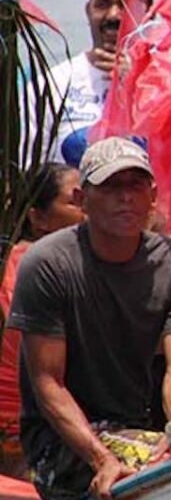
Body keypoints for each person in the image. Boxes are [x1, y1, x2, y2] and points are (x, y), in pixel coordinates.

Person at [8, 138, 171, 500]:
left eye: (135, 185)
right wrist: (101, 459)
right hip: (60, 445)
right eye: (111, 187)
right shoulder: (48, 263)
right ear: (82, 199)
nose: (125, 197)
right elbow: (48, 382)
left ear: (153, 195)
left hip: (134, 430)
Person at [43, 0, 171, 166]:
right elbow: (29, 172)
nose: (113, 15)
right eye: (103, 4)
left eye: (125, 5)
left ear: (149, 14)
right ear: (88, 10)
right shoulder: (54, 83)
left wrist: (142, 85)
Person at [0, 163, 84, 475]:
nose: (87, 208)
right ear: (38, 218)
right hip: (20, 429)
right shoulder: (28, 262)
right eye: (74, 201)